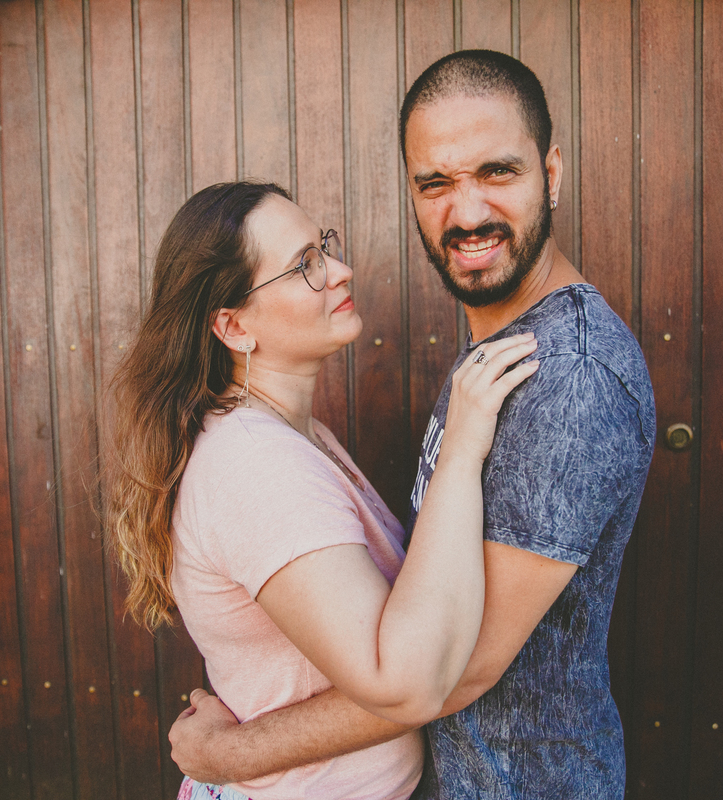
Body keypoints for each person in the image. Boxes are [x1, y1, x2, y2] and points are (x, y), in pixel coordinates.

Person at [167, 50, 655, 799]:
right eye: (436, 183)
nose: (466, 213)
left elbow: (454, 669)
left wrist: (231, 754)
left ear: (550, 174)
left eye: (498, 172)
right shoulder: (497, 350)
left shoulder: (569, 375)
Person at [106, 180, 541, 800]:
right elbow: (406, 682)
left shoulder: (292, 437)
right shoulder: (254, 465)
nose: (341, 270)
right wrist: (463, 449)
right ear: (233, 326)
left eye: (324, 247)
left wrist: (225, 752)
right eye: (304, 266)